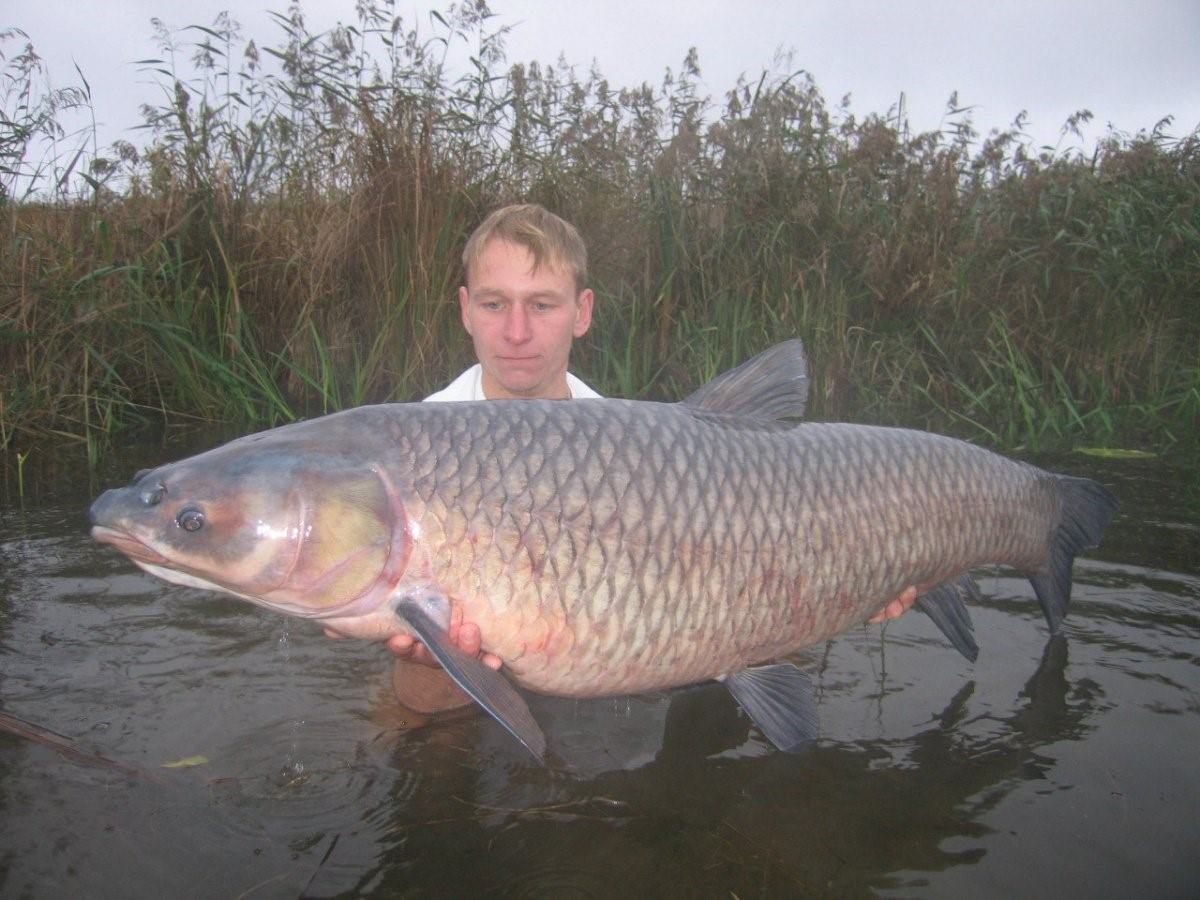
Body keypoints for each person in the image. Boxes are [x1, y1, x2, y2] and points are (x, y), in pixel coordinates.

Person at [378, 203, 917, 713]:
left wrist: (872, 569)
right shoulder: (409, 448)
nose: (517, 332)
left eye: (542, 305)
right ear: (466, 310)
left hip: (637, 664)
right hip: (480, 684)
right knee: (407, 722)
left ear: (581, 312)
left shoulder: (628, 441)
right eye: (495, 304)